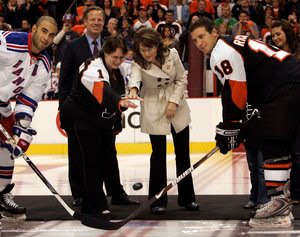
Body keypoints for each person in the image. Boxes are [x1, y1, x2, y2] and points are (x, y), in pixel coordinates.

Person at [189, 17, 300, 227]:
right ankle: (281, 201)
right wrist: (232, 125)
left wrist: (230, 125)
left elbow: (236, 90)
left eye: (202, 36)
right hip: (289, 80)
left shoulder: (221, 52)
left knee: (274, 142)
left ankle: (278, 206)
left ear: (214, 32)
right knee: (280, 143)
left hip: (284, 86)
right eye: (195, 40)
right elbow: (235, 90)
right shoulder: (231, 43)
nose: (199, 43)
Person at [59, 6, 139, 208]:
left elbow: (117, 84)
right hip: (80, 113)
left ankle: (115, 192)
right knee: (81, 155)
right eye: (92, 19)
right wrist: (62, 111)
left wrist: (118, 116)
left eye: (100, 19)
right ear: (84, 21)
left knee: (108, 153)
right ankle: (81, 194)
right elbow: (65, 81)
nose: (96, 22)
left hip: (104, 113)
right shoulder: (73, 46)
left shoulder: (111, 46)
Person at [128, 28, 199, 215]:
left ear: (158, 46)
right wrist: (133, 90)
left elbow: (182, 77)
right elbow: (133, 79)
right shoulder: (138, 62)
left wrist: (174, 101)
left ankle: (187, 198)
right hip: (153, 105)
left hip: (177, 103)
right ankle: (157, 200)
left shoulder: (172, 54)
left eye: (149, 49)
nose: (147, 53)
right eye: (143, 50)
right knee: (158, 155)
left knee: (183, 153)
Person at [0, 15, 57, 219]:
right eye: (43, 31)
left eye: (51, 35)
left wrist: (22, 126)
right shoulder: (11, 41)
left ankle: (2, 194)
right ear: (33, 28)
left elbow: (29, 97)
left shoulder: (44, 62)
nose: (46, 38)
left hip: (3, 106)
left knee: (9, 148)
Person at [271, 19, 300, 205]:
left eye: (278, 34)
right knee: (282, 155)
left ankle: (296, 194)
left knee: (298, 152)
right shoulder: (272, 56)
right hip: (281, 110)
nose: (275, 38)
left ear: (287, 32)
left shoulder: (298, 54)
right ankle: (280, 195)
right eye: (273, 35)